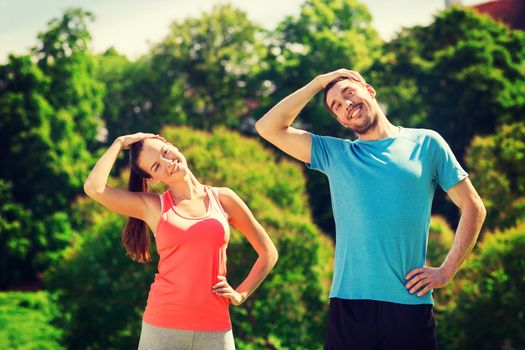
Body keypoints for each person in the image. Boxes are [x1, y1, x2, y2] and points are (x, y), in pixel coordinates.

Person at [255, 69, 486, 350]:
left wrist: (446, 271)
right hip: (350, 306)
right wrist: (318, 83)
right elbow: (267, 127)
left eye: (349, 93)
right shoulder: (335, 154)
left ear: (370, 91)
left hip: (409, 304)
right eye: (336, 106)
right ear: (339, 120)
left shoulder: (427, 143)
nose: (346, 104)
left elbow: (473, 207)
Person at [83, 132, 278, 350]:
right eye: (156, 166)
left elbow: (268, 252)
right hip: (162, 327)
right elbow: (94, 188)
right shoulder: (153, 206)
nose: (168, 163)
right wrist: (120, 142)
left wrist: (241, 293)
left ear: (172, 145)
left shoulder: (224, 199)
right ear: (153, 179)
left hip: (215, 327)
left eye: (166, 153)